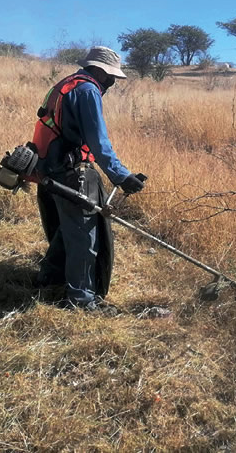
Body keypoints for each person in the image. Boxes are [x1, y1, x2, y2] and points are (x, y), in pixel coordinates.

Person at [31, 46, 146, 310]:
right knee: (83, 237)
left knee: (67, 228)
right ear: (99, 71)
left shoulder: (66, 84)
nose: (113, 82)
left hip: (48, 167)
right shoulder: (88, 90)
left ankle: (48, 277)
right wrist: (121, 175)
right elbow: (98, 141)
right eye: (111, 76)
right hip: (69, 172)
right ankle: (82, 301)